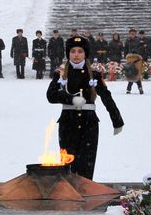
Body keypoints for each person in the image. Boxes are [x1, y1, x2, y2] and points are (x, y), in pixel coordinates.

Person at [46, 35, 124, 180]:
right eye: (73, 51)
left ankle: (85, 197)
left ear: (85, 54)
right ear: (68, 53)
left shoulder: (94, 75)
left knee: (87, 166)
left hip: (89, 123)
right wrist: (71, 99)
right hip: (68, 123)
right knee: (68, 163)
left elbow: (106, 97)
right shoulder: (61, 73)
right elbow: (50, 96)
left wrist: (117, 120)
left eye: (80, 51)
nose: (76, 55)